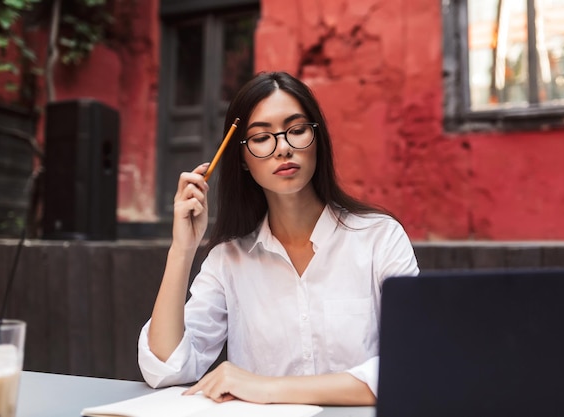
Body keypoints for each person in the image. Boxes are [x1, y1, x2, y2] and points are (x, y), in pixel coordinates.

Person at [137, 71, 419, 405]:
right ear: (242, 158)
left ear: (317, 139)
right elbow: (165, 368)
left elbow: (412, 364)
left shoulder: (379, 238)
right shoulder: (229, 260)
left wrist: (266, 388)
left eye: (297, 131)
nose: (283, 148)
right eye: (260, 138)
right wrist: (182, 249)